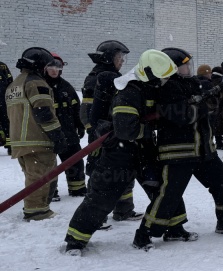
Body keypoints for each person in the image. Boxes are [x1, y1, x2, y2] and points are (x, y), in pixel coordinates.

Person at [64, 50, 177, 255]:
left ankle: (175, 227)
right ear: (150, 74)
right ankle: (75, 240)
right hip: (119, 152)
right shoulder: (130, 91)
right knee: (102, 197)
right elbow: (125, 130)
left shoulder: (148, 87)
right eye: (163, 77)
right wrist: (150, 130)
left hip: (142, 150)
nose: (166, 81)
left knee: (163, 190)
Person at [131, 47, 223, 250]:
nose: (189, 67)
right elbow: (182, 115)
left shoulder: (192, 84)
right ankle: (144, 234)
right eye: (185, 65)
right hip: (178, 152)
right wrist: (202, 105)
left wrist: (218, 93)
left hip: (203, 151)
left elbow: (207, 104)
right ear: (172, 68)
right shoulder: (166, 88)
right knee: (168, 194)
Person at [5, 47, 68, 220]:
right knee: (40, 178)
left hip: (20, 141)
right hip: (37, 140)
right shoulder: (36, 83)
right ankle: (37, 211)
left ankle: (37, 207)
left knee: (32, 176)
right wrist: (58, 136)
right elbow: (44, 113)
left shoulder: (14, 85)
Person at [81, 40, 140, 221]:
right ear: (108, 58)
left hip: (114, 134)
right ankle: (94, 218)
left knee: (123, 171)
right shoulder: (97, 78)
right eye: (119, 57)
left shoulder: (114, 76)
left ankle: (124, 210)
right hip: (103, 136)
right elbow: (87, 112)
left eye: (122, 57)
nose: (122, 61)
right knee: (100, 176)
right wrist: (96, 132)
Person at [43, 52, 86, 199]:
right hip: (47, 134)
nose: (55, 70)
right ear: (45, 68)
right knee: (48, 164)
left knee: (75, 161)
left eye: (58, 67)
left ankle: (78, 188)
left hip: (68, 133)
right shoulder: (40, 86)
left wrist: (80, 125)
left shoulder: (67, 87)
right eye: (51, 66)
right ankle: (50, 192)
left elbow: (76, 109)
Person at [0, 59, 13, 153]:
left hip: (3, 99)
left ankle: (10, 145)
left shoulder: (2, 66)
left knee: (6, 121)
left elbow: (10, 81)